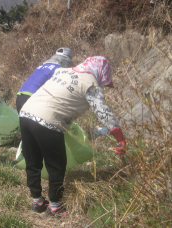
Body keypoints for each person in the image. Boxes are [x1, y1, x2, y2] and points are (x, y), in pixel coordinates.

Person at [19, 56, 126, 217]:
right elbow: (104, 113)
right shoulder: (90, 84)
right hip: (48, 118)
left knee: (33, 161)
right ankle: (55, 206)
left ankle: (37, 201)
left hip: (26, 112)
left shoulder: (65, 71)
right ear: (101, 72)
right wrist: (120, 138)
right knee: (56, 164)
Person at [16, 47, 74, 113]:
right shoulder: (59, 69)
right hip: (33, 97)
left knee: (24, 122)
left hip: (20, 95)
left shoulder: (42, 66)